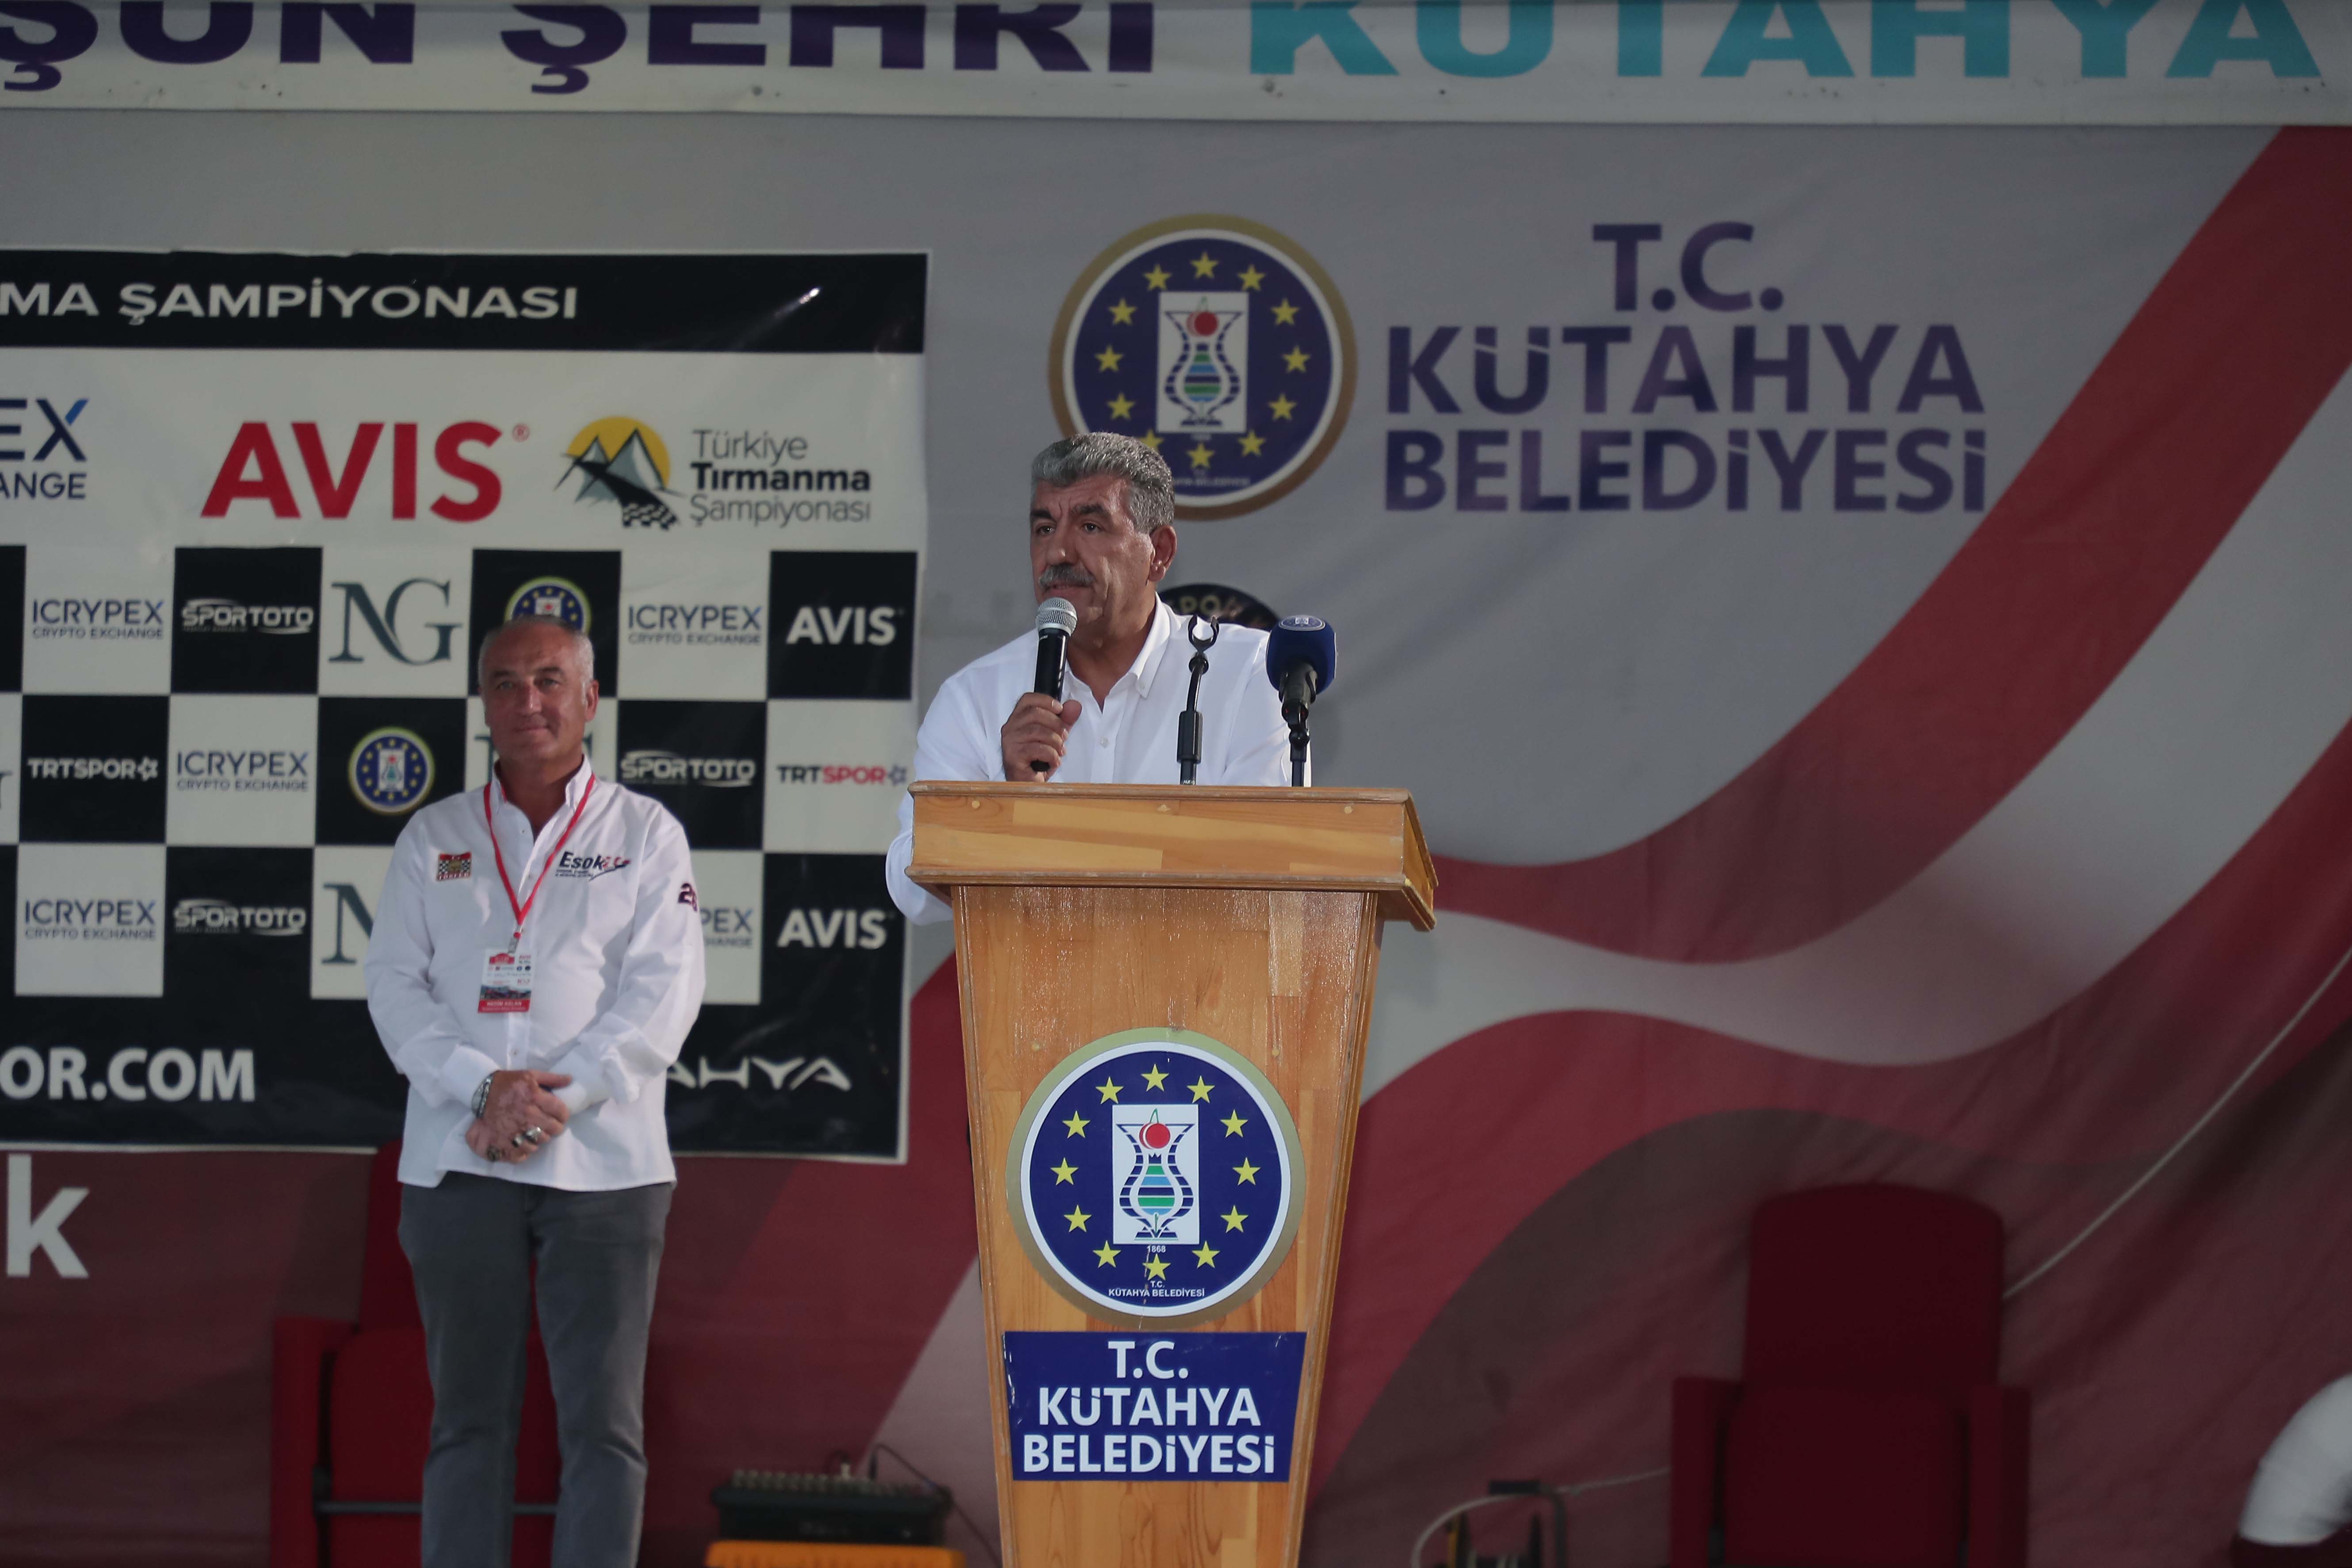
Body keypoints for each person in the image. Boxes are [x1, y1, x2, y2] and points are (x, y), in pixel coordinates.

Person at [366, 613, 706, 1568]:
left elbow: (666, 989)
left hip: (606, 1170)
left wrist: (563, 1097)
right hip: (458, 1162)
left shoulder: (645, 832)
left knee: (604, 1428)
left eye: (550, 680)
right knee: (466, 1422)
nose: (529, 701)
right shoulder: (434, 834)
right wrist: (483, 1090)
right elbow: (393, 985)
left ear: (589, 699)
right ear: (483, 704)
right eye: (507, 683)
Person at [885, 431, 1298, 924]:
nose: (1058, 553)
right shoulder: (976, 695)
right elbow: (910, 889)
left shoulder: (1248, 672)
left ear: (1159, 551)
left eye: (1090, 526)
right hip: (1033, 975)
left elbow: (1268, 859)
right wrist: (1003, 802)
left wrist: (1060, 841)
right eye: (1044, 528)